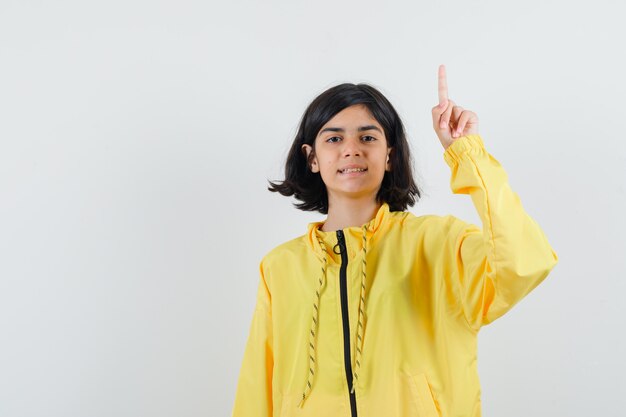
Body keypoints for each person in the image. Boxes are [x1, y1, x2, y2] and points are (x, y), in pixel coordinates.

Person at [231, 64, 558, 417]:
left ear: (389, 156)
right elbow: (257, 386)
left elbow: (526, 261)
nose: (351, 149)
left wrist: (467, 153)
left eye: (368, 137)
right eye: (334, 138)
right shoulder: (280, 266)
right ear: (312, 157)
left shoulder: (437, 244)